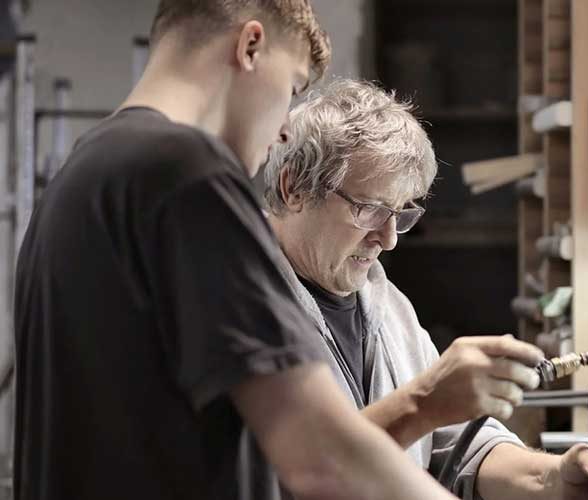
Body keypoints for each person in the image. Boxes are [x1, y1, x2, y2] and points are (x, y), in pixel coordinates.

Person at [12, 3, 472, 500]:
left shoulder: (83, 175)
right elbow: (320, 459)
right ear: (250, 46)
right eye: (294, 87)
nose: (281, 132)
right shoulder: (187, 173)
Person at [264, 78, 588, 500]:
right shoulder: (230, 306)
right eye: (370, 209)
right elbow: (272, 480)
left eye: (400, 213)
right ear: (294, 188)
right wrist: (421, 403)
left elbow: (458, 447)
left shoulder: (386, 305)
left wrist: (555, 478)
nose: (390, 239)